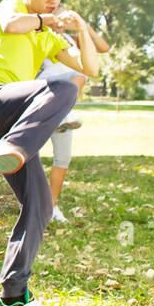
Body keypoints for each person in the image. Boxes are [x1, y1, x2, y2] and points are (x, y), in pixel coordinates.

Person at [0, 0, 100, 306]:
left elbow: (90, 68)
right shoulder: (13, 5)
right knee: (61, 88)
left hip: (12, 127)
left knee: (40, 204)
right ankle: (17, 147)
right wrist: (46, 20)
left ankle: (13, 294)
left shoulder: (49, 36)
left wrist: (82, 28)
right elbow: (13, 26)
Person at [36, 13, 110, 223]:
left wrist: (82, 26)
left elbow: (103, 48)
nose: (58, 21)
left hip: (67, 104)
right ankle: (32, 203)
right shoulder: (41, 37)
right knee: (29, 156)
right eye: (54, 17)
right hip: (47, 93)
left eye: (62, 16)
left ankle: (51, 207)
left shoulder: (73, 39)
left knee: (63, 158)